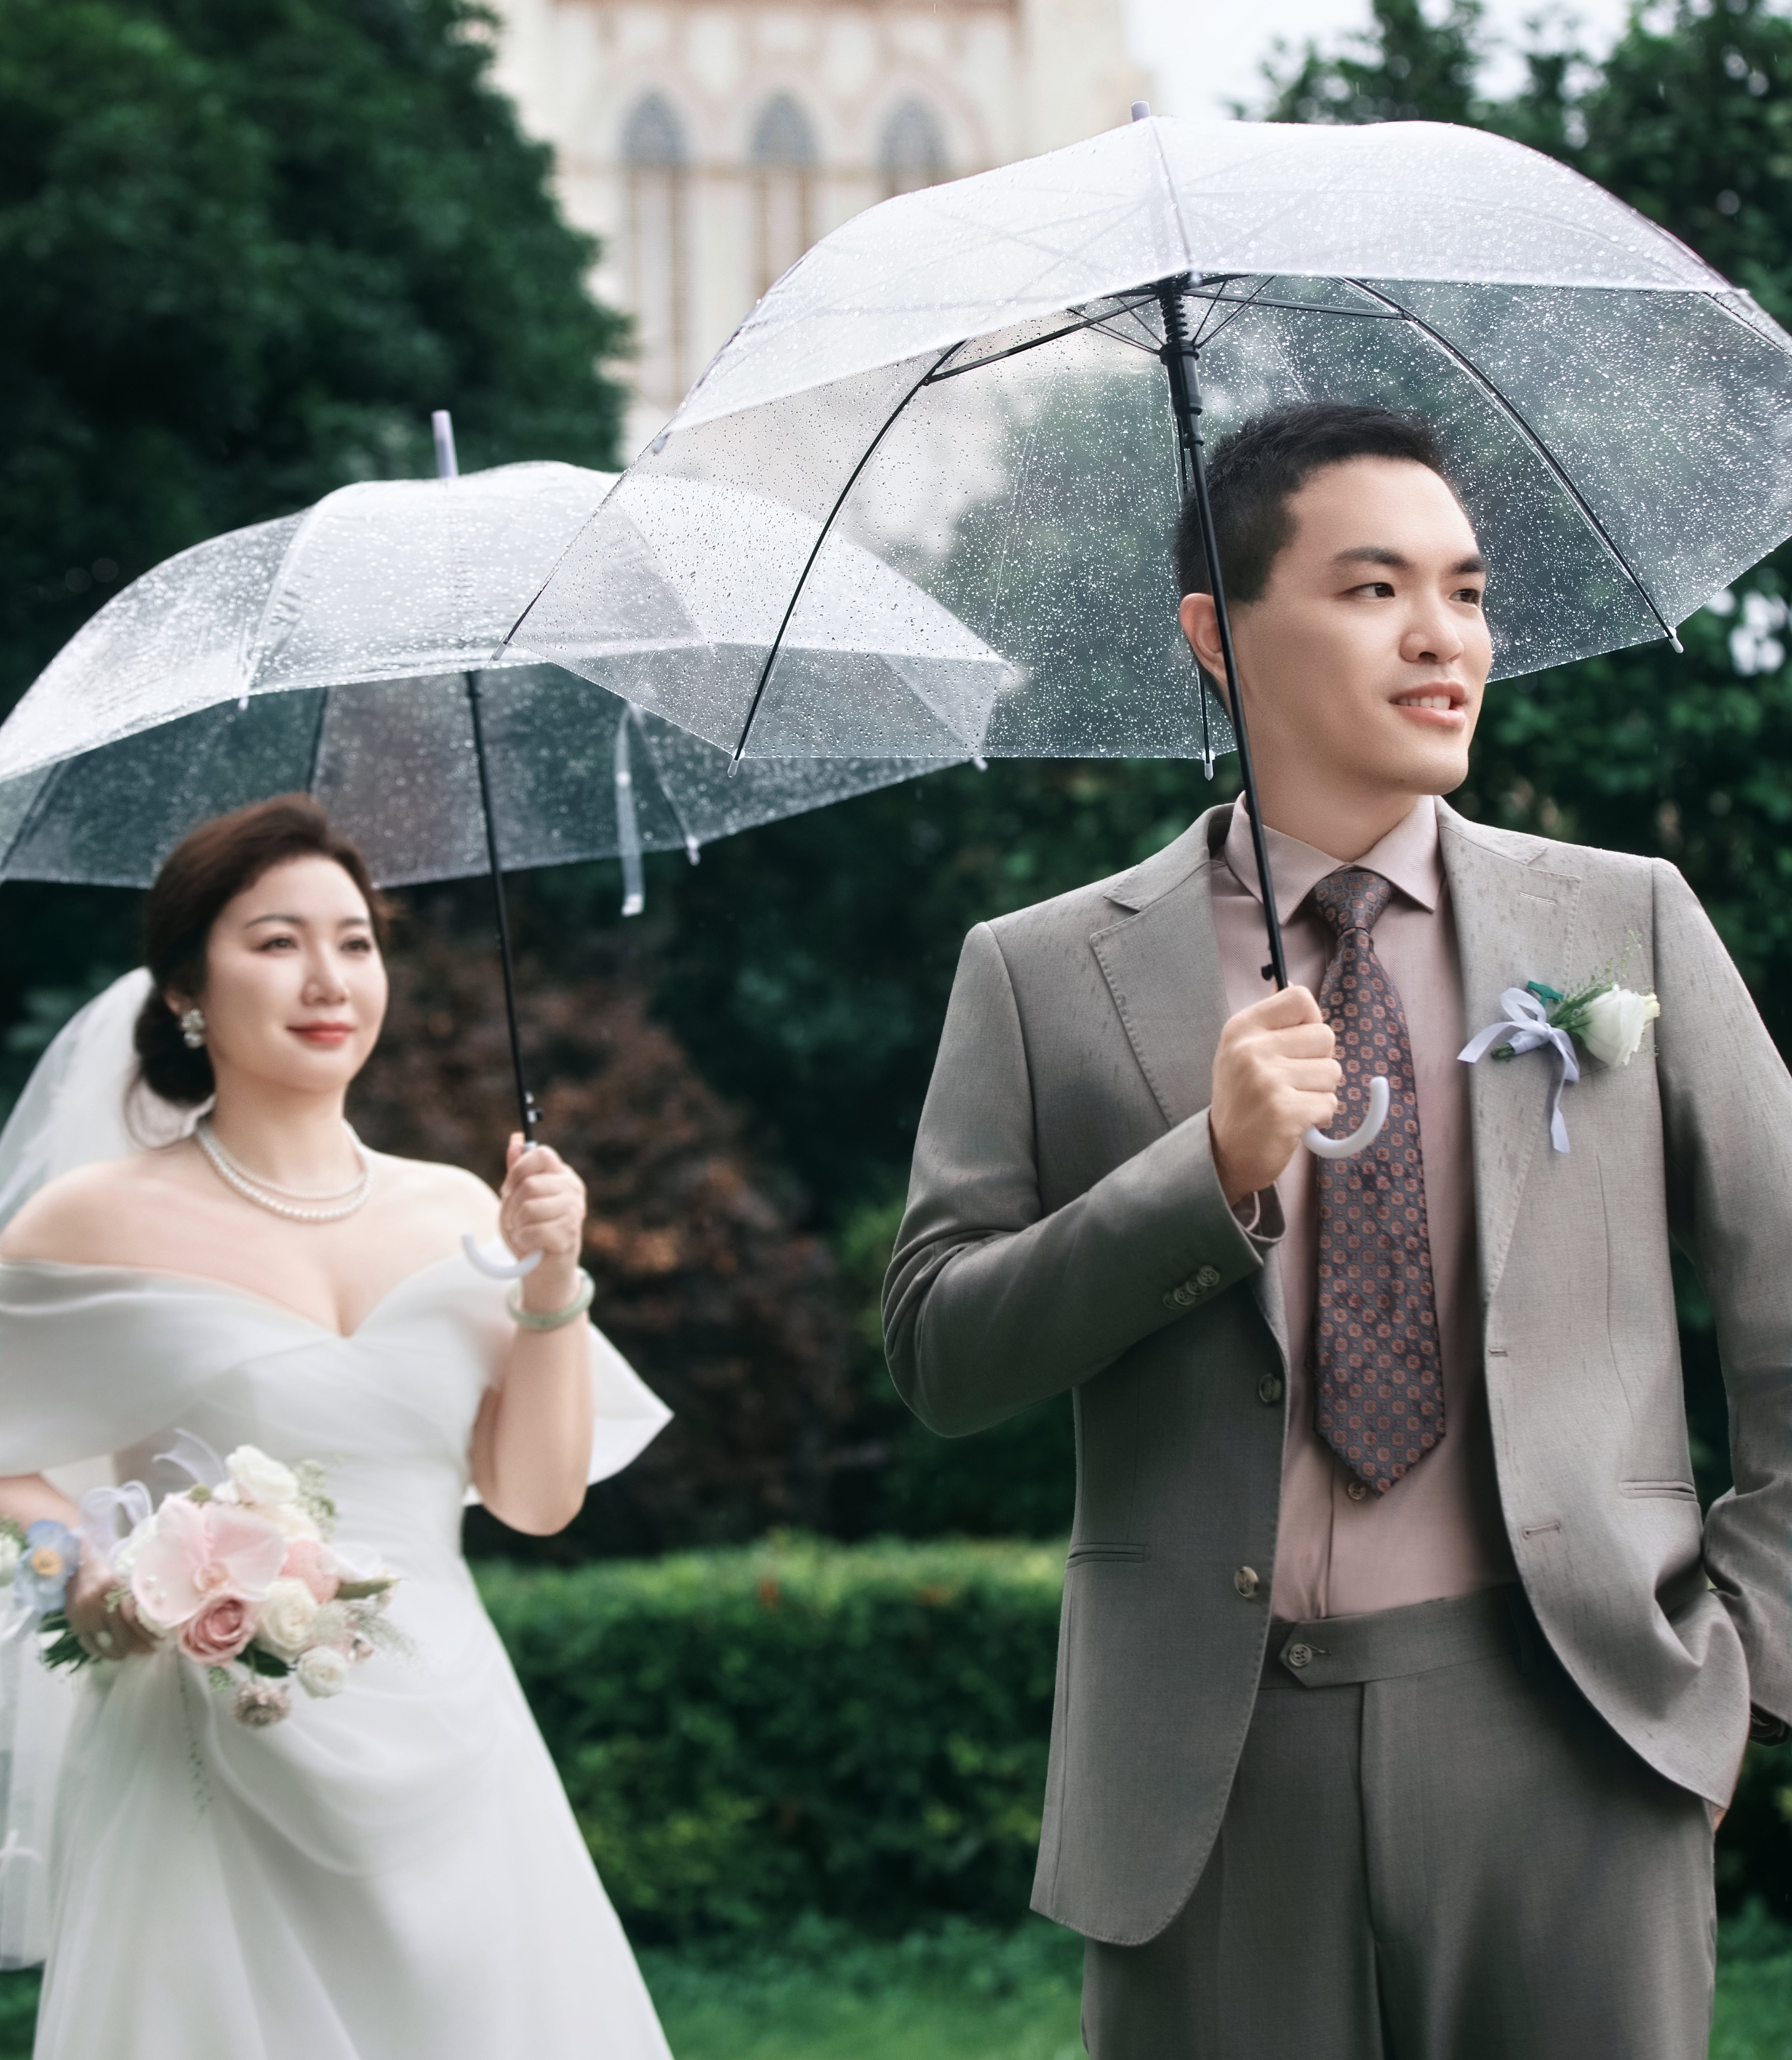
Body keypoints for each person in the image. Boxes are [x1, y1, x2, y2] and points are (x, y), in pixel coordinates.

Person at [884, 401, 1792, 2060]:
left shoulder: (1625, 922)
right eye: (1375, 590)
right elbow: (941, 1350)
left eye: (1466, 589)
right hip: (1211, 1771)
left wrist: (1743, 1666)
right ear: (1214, 637)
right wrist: (1204, 1172)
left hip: (1583, 1731)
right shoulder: (1042, 972)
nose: (1445, 637)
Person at [0, 794, 674, 2059]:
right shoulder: (96, 1219)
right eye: (277, 942)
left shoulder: (458, 1211)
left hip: (454, 1747)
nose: (329, 979)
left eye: (356, 942)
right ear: (186, 988)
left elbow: (536, 1501)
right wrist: (79, 1569)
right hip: (206, 1765)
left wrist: (551, 1275)